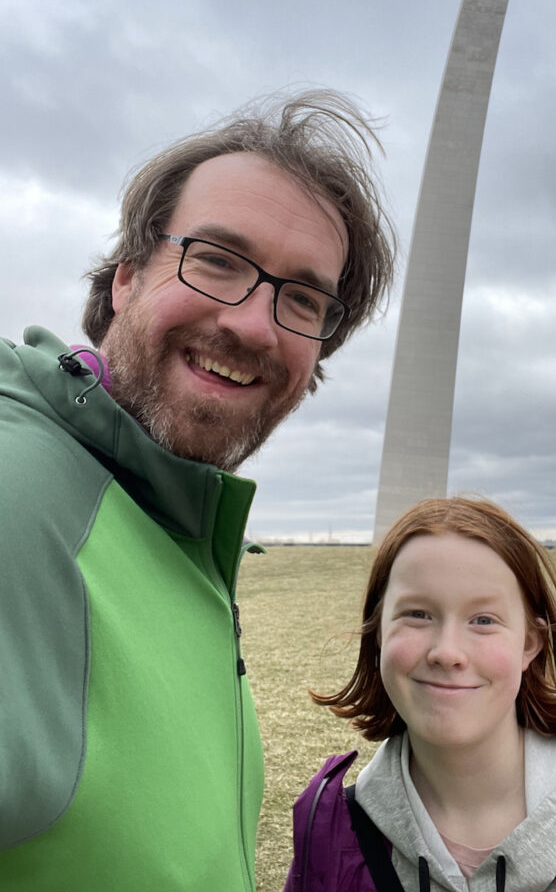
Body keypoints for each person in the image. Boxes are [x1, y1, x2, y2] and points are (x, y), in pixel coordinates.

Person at [0, 90, 395, 892]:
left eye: (303, 299)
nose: (254, 325)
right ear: (125, 278)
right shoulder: (18, 494)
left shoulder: (170, 519)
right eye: (216, 259)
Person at [285, 497, 556, 892]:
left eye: (483, 620)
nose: (447, 653)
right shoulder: (329, 836)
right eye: (417, 614)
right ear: (378, 632)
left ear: (529, 644)